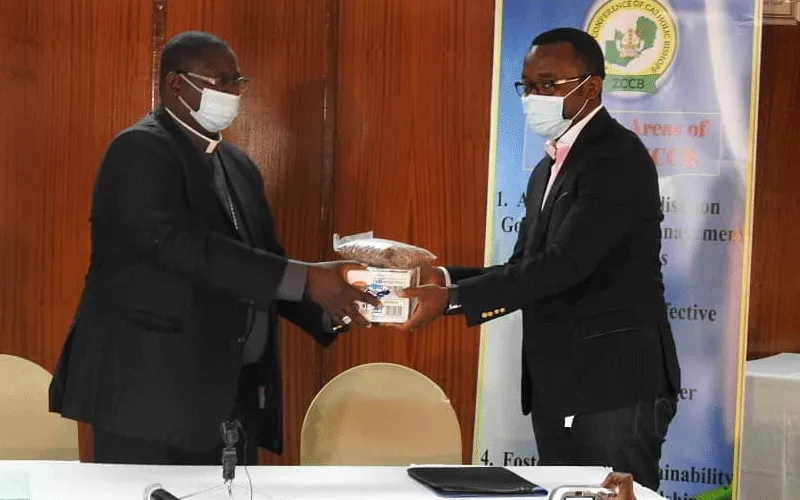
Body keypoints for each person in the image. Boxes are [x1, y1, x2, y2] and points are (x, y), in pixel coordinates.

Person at [48, 31, 380, 465]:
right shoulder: (137, 150)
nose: (229, 93)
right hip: (147, 396)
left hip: (228, 395)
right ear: (174, 85)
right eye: (218, 82)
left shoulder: (240, 166)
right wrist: (308, 279)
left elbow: (268, 262)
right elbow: (182, 248)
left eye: (236, 83)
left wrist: (335, 304)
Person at [398, 28, 681, 491]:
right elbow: (525, 265)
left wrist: (451, 298)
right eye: (527, 85)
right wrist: (442, 277)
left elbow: (564, 267)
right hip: (562, 386)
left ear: (590, 87)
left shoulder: (616, 158)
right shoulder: (548, 167)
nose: (533, 97)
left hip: (614, 389)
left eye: (548, 85)